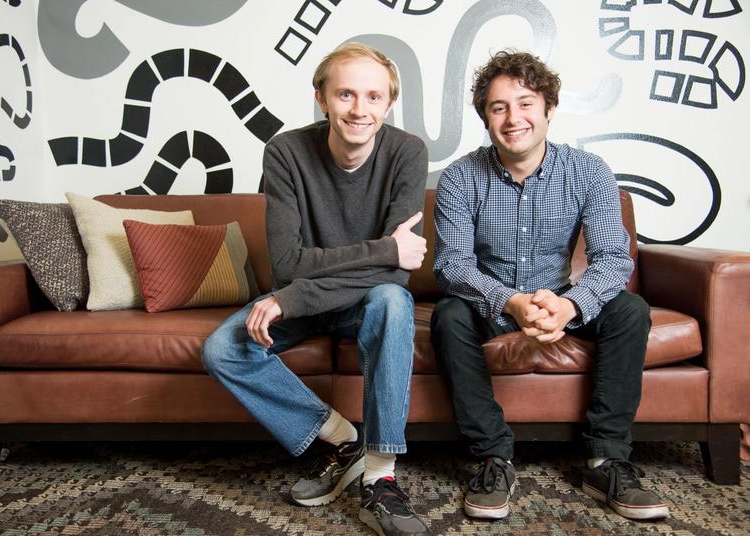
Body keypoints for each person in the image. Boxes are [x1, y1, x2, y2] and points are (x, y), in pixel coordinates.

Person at [202, 42, 431, 536]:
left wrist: (293, 293)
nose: (359, 109)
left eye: (373, 97)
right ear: (321, 98)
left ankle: (379, 475)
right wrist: (384, 250)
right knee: (222, 347)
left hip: (358, 303)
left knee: (392, 300)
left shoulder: (407, 152)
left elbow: (396, 275)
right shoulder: (285, 151)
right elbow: (288, 264)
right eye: (345, 94)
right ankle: (342, 440)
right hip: (302, 304)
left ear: (388, 103)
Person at [430, 50, 669, 522]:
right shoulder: (460, 177)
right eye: (499, 107)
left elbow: (612, 259)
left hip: (561, 298)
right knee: (449, 314)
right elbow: (452, 266)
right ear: (486, 118)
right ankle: (492, 457)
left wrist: (569, 306)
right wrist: (511, 302)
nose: (513, 117)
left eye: (525, 103)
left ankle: (606, 458)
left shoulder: (589, 171)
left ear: (549, 110)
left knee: (630, 309)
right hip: (492, 301)